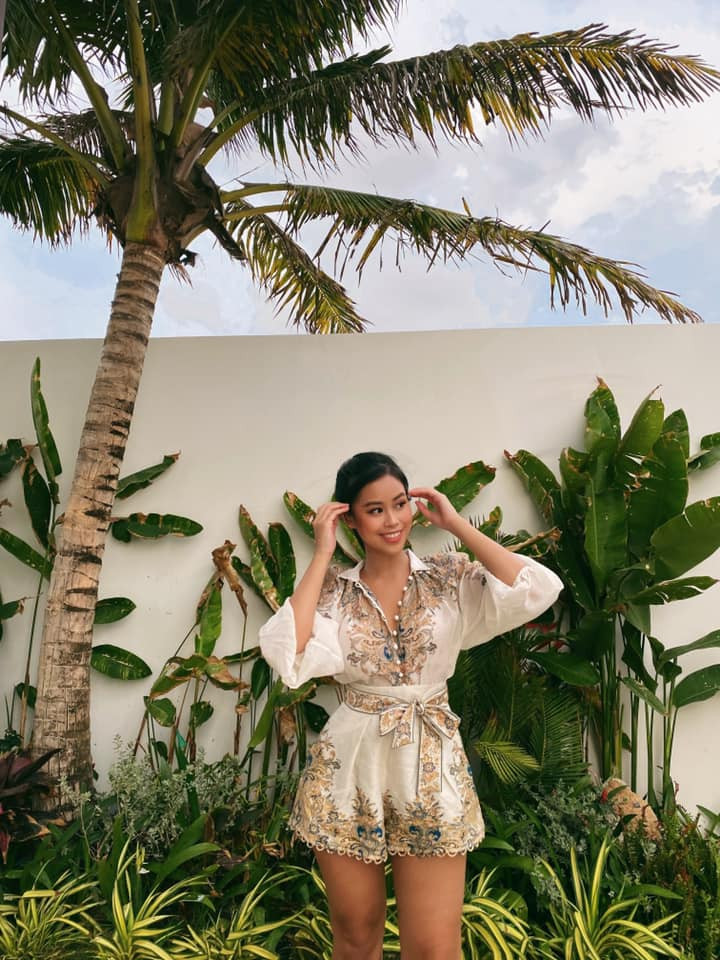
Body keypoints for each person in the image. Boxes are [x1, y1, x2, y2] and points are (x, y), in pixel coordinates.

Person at [259, 452, 563, 960]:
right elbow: (289, 652)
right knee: (356, 937)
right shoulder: (333, 591)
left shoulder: (449, 576)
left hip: (431, 764)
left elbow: (535, 589)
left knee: (434, 948)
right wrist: (321, 553)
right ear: (350, 519)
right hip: (350, 769)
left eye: (399, 504)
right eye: (375, 510)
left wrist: (456, 525)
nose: (392, 520)